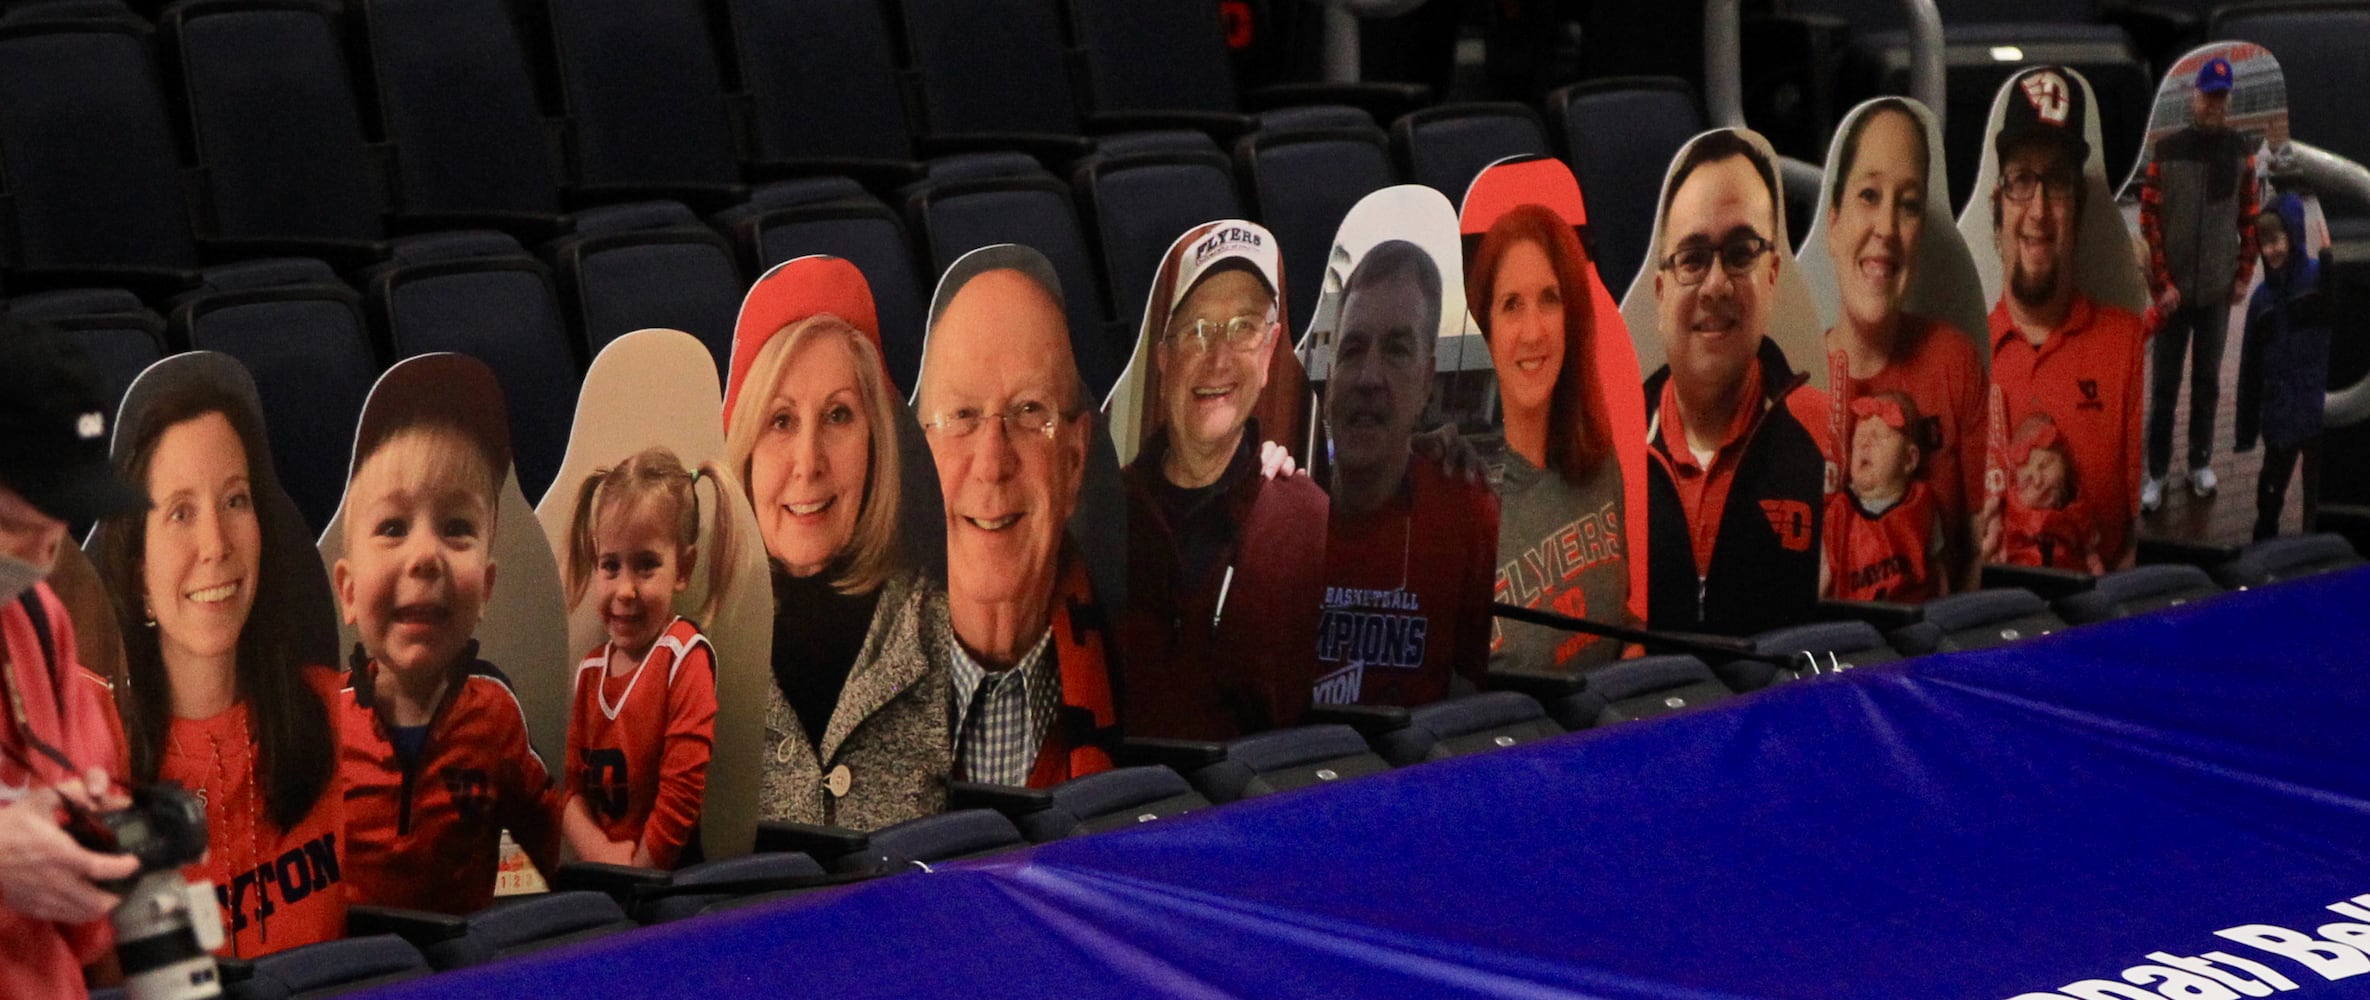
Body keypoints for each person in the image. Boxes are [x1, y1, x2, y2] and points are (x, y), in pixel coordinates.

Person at [93, 362, 345, 956]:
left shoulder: (342, 713)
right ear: (138, 578)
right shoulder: (95, 767)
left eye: (235, 500)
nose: (216, 544)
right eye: (181, 512)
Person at [334, 372, 561, 915]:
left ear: (484, 588)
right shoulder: (320, 726)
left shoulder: (497, 719)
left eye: (456, 525)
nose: (425, 557)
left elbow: (552, 849)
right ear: (348, 591)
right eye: (392, 526)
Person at [725, 291, 948, 829]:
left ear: (876, 441)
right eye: (780, 421)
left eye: (838, 415)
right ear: (745, 451)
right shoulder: (692, 648)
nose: (809, 462)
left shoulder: (946, 630)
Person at [912, 248, 1119, 787]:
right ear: (920, 455)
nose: (992, 464)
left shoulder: (1154, 681)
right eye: (961, 416)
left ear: (1074, 463)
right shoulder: (844, 699)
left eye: (1030, 412)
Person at [1121, 222, 1328, 739]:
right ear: (1164, 358)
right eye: (1197, 329)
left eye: (1243, 328)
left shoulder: (1312, 526)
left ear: (1270, 350)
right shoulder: (1102, 519)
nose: (1218, 358)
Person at [0, 321, 145, 1000]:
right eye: (13, 530)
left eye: (58, 529)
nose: (38, 558)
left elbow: (96, 924)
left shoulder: (36, 615)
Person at [1643, 130, 1827, 636]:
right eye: (1693, 259)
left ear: (1772, 275)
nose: (1717, 285)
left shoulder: (1837, 441)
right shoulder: (1605, 459)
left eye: (1741, 253)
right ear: (1660, 293)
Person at [1312, 240, 1497, 707]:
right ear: (1331, 377)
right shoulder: (1281, 512)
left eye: (1396, 350)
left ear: (1425, 383)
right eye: (1353, 349)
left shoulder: (1467, 514)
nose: (1368, 376)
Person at [1979, 67, 2147, 572]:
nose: (2038, 211)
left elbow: (2151, 541)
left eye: (2056, 184)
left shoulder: (2131, 347)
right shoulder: (1961, 357)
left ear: (2079, 208)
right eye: (2021, 181)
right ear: (1997, 207)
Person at [1819, 99, 1987, 591]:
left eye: (1909, 204)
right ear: (1833, 223)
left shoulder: (1955, 363)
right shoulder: (1796, 381)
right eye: (1869, 195)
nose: (1887, 229)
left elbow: (1978, 552)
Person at [1468, 204, 1632, 671]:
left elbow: (1618, 616)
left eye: (1550, 299)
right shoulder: (1461, 503)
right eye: (1512, 305)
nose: (1533, 331)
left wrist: (1634, 644)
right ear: (1485, 327)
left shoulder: (1600, 464)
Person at [556, 447, 732, 869]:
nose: (625, 590)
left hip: (666, 882)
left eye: (647, 565)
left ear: (683, 568)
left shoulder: (683, 657)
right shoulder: (591, 671)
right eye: (610, 566)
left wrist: (639, 873)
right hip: (607, 877)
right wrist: (601, 856)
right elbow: (569, 792)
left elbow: (680, 797)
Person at [2139, 55, 2260, 511]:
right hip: (2173, 298)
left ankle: (2200, 463)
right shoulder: (2167, 152)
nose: (2216, 103)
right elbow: (2150, 223)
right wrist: (2162, 286)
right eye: (2209, 94)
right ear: (2195, 95)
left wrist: (2243, 274)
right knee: (2165, 389)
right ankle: (2156, 475)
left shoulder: (2240, 150)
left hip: (2215, 294)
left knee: (2207, 382)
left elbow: (2249, 217)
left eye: (2222, 96)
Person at [2236, 193, 2329, 540]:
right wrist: (2246, 428)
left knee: (2316, 493)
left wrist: (2334, 266)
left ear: (2294, 235)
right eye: (2264, 242)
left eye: (2277, 239)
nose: (2271, 249)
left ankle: (2316, 545)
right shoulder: (2261, 301)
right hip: (2280, 414)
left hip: (2318, 407)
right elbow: (2250, 368)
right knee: (2270, 491)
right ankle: (2265, 541)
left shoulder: (2319, 280)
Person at [1821, 393, 1946, 602]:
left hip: (1913, 613)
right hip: (1854, 619)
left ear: (1909, 459)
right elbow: (1824, 577)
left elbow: (1938, 568)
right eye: (1858, 439)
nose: (1865, 444)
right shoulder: (1840, 512)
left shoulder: (1922, 504)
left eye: (1878, 437)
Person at [1998, 415, 2105, 573]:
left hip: (2068, 580)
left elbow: (2091, 556)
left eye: (2045, 466)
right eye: (2027, 479)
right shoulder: (2010, 514)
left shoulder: (2077, 511)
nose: (2038, 481)